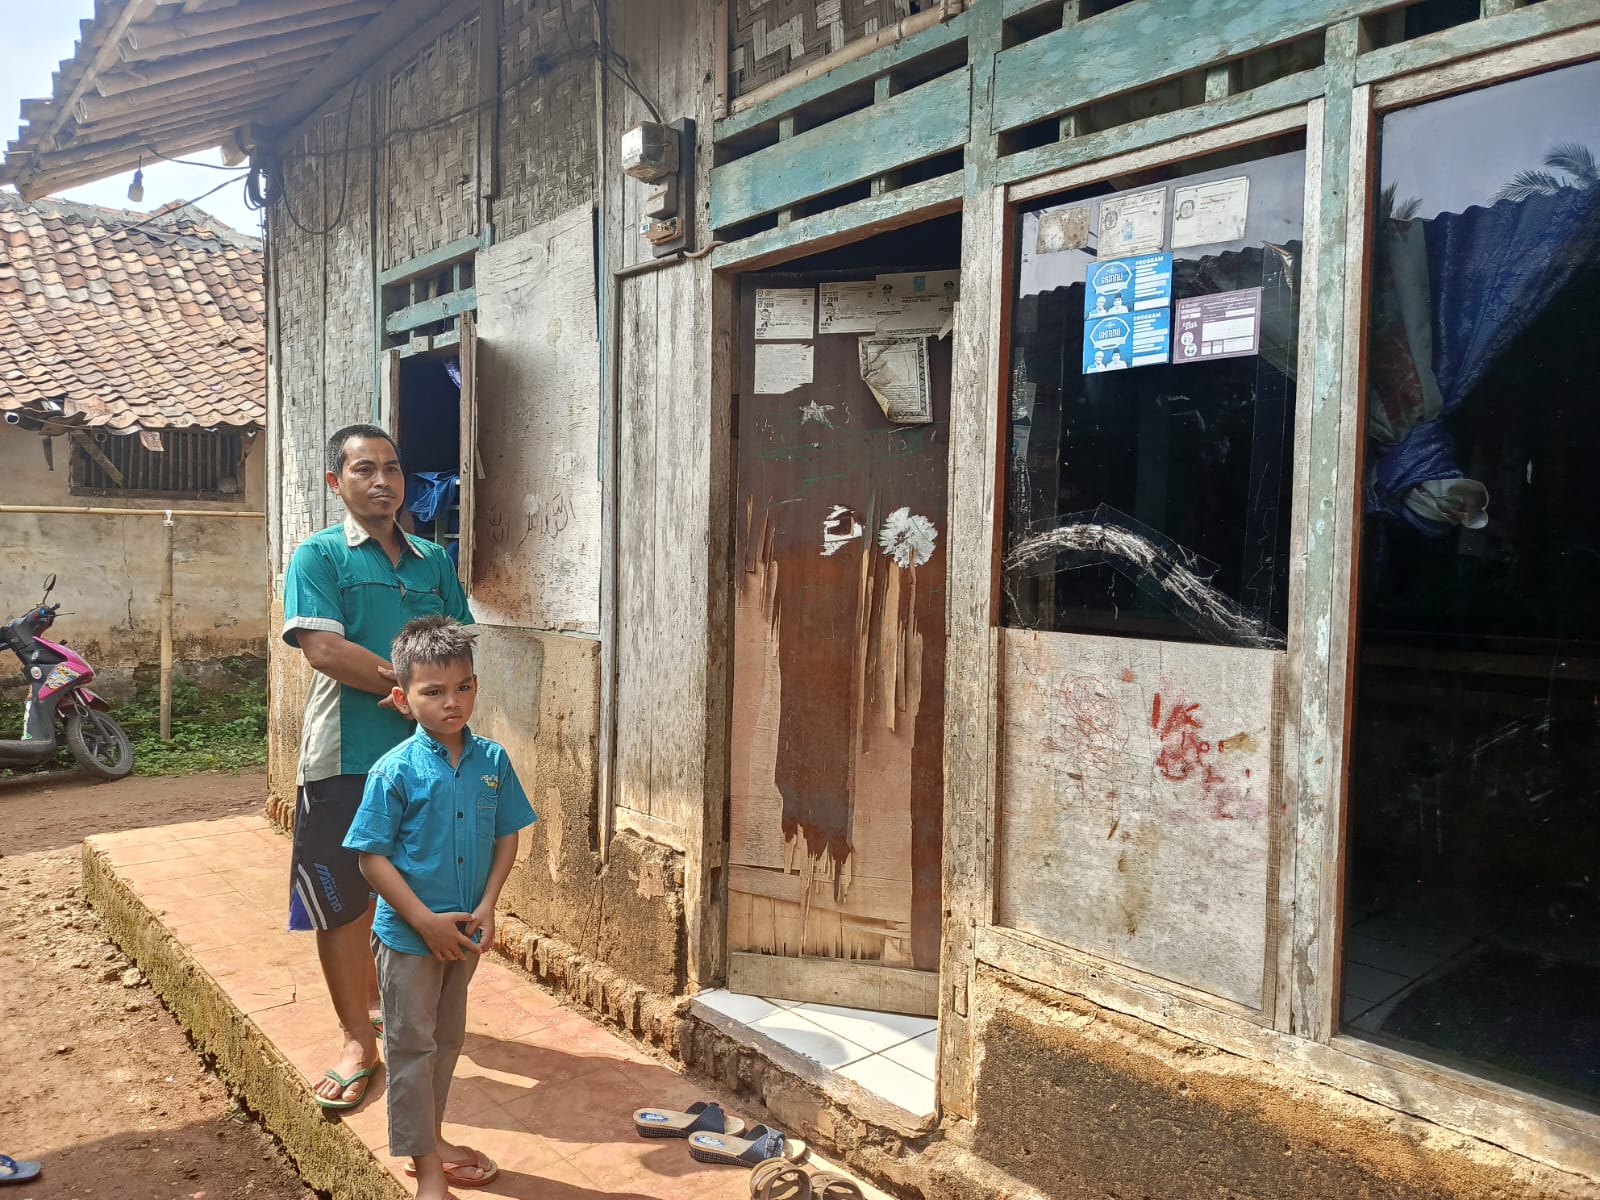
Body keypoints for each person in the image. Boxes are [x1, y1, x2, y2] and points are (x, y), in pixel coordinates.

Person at [281, 424, 472, 1110]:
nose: (382, 481)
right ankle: (356, 1041)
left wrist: (437, 705)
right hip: (344, 759)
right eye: (365, 470)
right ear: (338, 483)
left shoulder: (431, 561)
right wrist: (410, 688)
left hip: (422, 764)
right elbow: (325, 651)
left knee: (413, 889)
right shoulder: (320, 555)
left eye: (392, 467)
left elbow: (458, 642)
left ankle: (387, 1006)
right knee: (341, 902)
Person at [344, 616, 536, 1198]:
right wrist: (423, 920)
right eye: (433, 692)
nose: (452, 703)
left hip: (467, 934)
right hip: (409, 939)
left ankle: (434, 1138)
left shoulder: (494, 763)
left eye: (464, 687)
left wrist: (489, 905)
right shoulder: (393, 771)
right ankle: (428, 1171)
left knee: (447, 1041)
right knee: (409, 1048)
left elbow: (507, 836)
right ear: (403, 699)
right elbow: (370, 860)